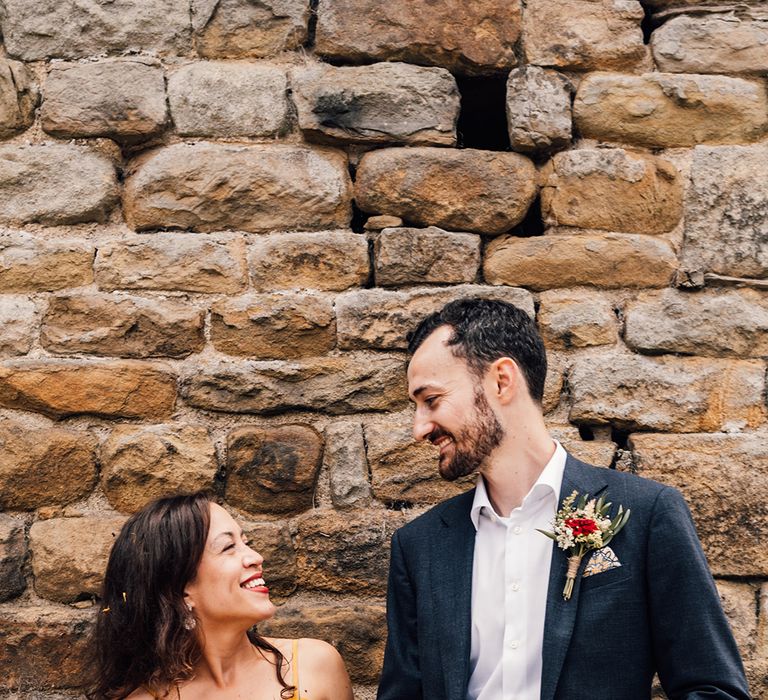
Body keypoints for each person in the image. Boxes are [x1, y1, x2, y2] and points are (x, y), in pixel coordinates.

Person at [377, 298, 750, 700]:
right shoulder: (419, 545)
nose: (419, 428)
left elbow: (714, 690)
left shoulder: (646, 513)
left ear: (501, 380)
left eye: (431, 400)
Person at [87, 492, 353, 700]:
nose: (256, 558)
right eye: (228, 547)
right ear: (181, 590)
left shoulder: (315, 665)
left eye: (245, 543)